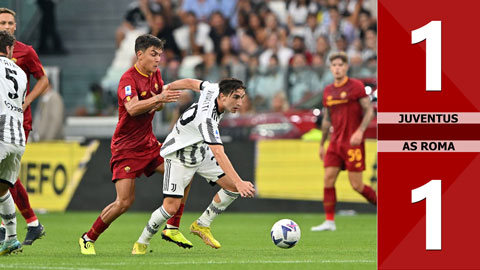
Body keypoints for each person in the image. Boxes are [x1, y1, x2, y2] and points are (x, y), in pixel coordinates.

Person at [78, 34, 194, 255]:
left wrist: (158, 102)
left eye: (160, 54)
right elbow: (132, 109)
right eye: (153, 54)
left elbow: (156, 105)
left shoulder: (156, 74)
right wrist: (158, 100)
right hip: (126, 148)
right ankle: (88, 237)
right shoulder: (128, 79)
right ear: (139, 55)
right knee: (124, 202)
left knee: (184, 172)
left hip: (148, 144)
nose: (158, 59)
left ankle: (172, 227)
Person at [131, 78, 256, 254]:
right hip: (179, 155)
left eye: (242, 97)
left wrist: (165, 88)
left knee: (233, 188)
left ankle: (202, 224)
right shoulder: (207, 121)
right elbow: (219, 154)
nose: (240, 103)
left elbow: (190, 83)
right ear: (223, 96)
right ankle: (141, 243)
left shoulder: (213, 88)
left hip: (199, 151)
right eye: (236, 97)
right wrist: (240, 181)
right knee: (170, 207)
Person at [311, 52, 376, 232]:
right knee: (328, 179)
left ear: (346, 67)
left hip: (353, 143)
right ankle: (329, 221)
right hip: (335, 143)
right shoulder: (328, 91)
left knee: (357, 185)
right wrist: (322, 144)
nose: (337, 68)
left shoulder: (356, 86)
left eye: (340, 65)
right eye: (334, 65)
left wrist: (360, 131)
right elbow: (326, 119)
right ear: (330, 68)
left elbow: (369, 110)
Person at [0, 8, 49, 245]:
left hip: (18, 122)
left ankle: (21, 225)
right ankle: (30, 223)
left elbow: (43, 80)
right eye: (2, 22)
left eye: (10, 22)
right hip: (8, 124)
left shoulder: (25, 52)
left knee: (8, 176)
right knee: (8, 177)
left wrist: (27, 101)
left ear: (16, 26)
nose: (6, 26)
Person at [0, 30, 28, 255]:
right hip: (17, 137)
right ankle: (11, 239)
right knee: (1, 190)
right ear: (9, 49)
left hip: (0, 133)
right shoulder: (20, 72)